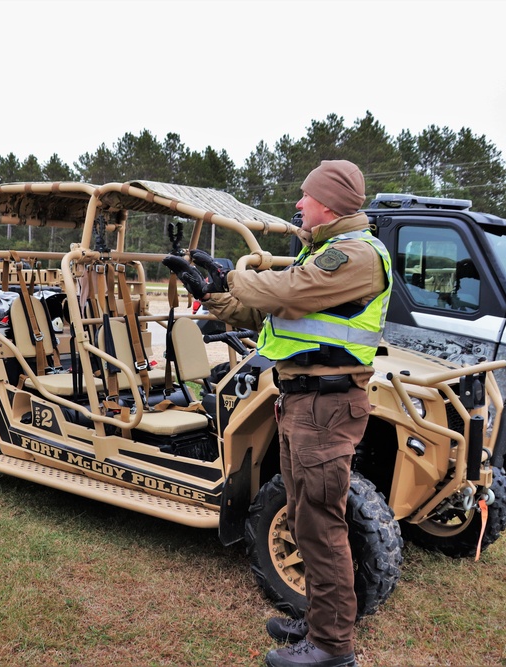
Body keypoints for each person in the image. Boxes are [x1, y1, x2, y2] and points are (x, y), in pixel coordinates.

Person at [163, 160, 392, 667]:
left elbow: (284, 293)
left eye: (305, 198)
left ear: (329, 204)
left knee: (321, 524)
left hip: (325, 408)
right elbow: (265, 312)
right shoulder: (324, 253)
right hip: (302, 403)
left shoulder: (355, 255)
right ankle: (317, 620)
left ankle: (333, 649)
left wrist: (237, 271)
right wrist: (212, 292)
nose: (298, 205)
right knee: (303, 516)